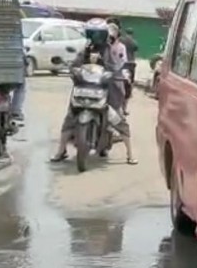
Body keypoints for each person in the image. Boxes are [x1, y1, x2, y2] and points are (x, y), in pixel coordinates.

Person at [49, 18, 137, 165]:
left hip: (105, 90)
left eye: (98, 34)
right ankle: (61, 150)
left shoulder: (109, 49)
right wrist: (73, 69)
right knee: (69, 117)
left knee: (118, 120)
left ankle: (130, 154)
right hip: (84, 89)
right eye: (92, 34)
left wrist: (116, 71)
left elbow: (116, 66)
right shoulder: (86, 49)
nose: (95, 38)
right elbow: (77, 63)